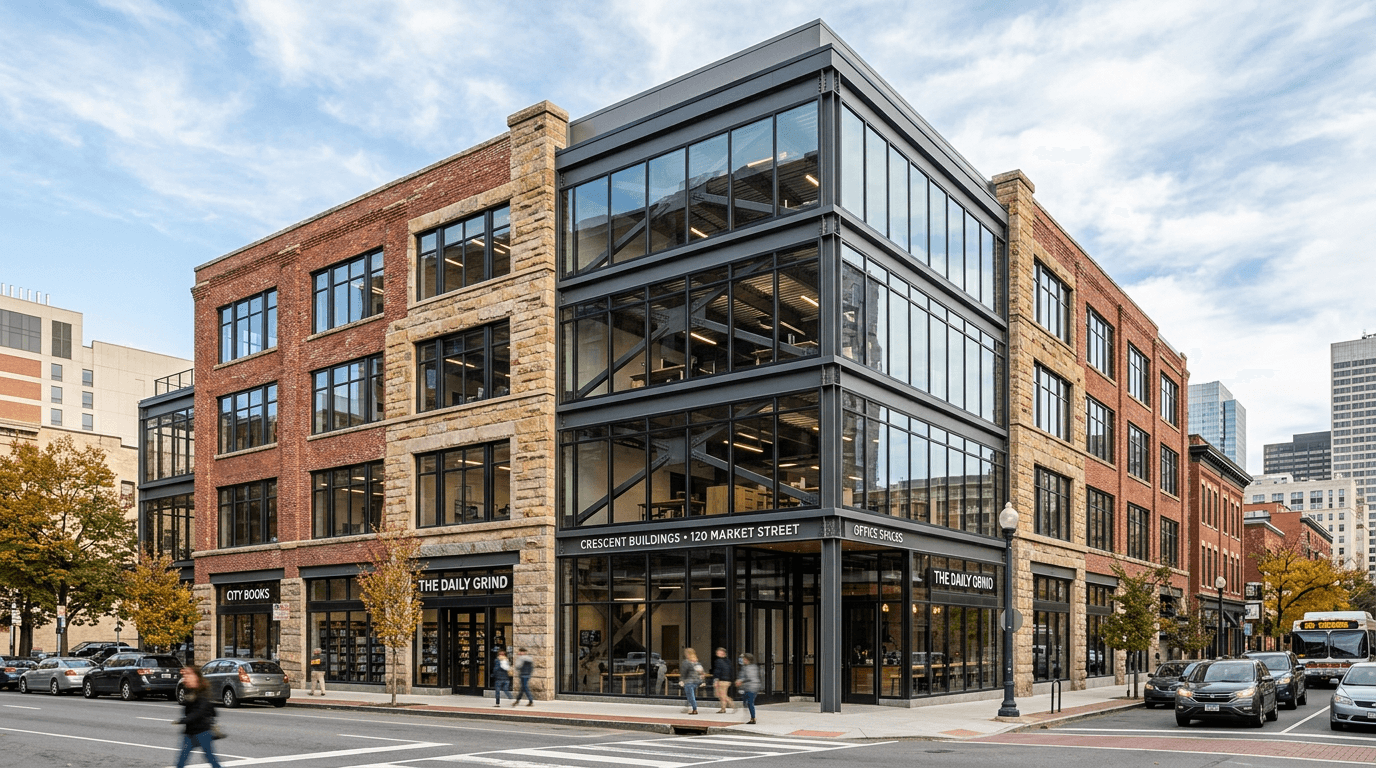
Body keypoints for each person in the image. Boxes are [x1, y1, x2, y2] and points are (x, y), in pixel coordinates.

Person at [174, 667, 222, 768]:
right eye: (184, 676)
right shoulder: (190, 691)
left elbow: (198, 712)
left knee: (211, 758)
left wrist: (184, 720)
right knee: (181, 761)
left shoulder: (203, 694)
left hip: (202, 733)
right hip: (190, 733)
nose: (185, 678)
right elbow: (212, 712)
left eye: (188, 675)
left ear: (196, 677)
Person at [736, 652, 761, 725]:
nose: (742, 660)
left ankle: (753, 718)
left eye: (744, 659)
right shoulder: (746, 667)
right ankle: (751, 716)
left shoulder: (751, 667)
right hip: (748, 687)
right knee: (746, 702)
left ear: (747, 660)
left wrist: (741, 680)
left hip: (751, 687)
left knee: (750, 702)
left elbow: (750, 677)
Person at [680, 648, 703, 715]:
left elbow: (684, 673)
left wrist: (681, 680)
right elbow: (701, 672)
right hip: (696, 681)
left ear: (687, 654)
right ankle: (687, 707)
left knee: (690, 695)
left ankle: (694, 709)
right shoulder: (696, 662)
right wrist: (702, 681)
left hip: (689, 681)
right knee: (691, 695)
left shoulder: (686, 662)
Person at [712, 647, 734, 714]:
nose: (717, 653)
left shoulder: (718, 661)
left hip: (721, 680)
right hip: (727, 680)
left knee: (721, 695)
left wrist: (716, 680)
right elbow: (731, 671)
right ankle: (723, 708)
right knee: (722, 695)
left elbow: (717, 671)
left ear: (723, 653)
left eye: (718, 652)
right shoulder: (728, 661)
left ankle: (732, 704)